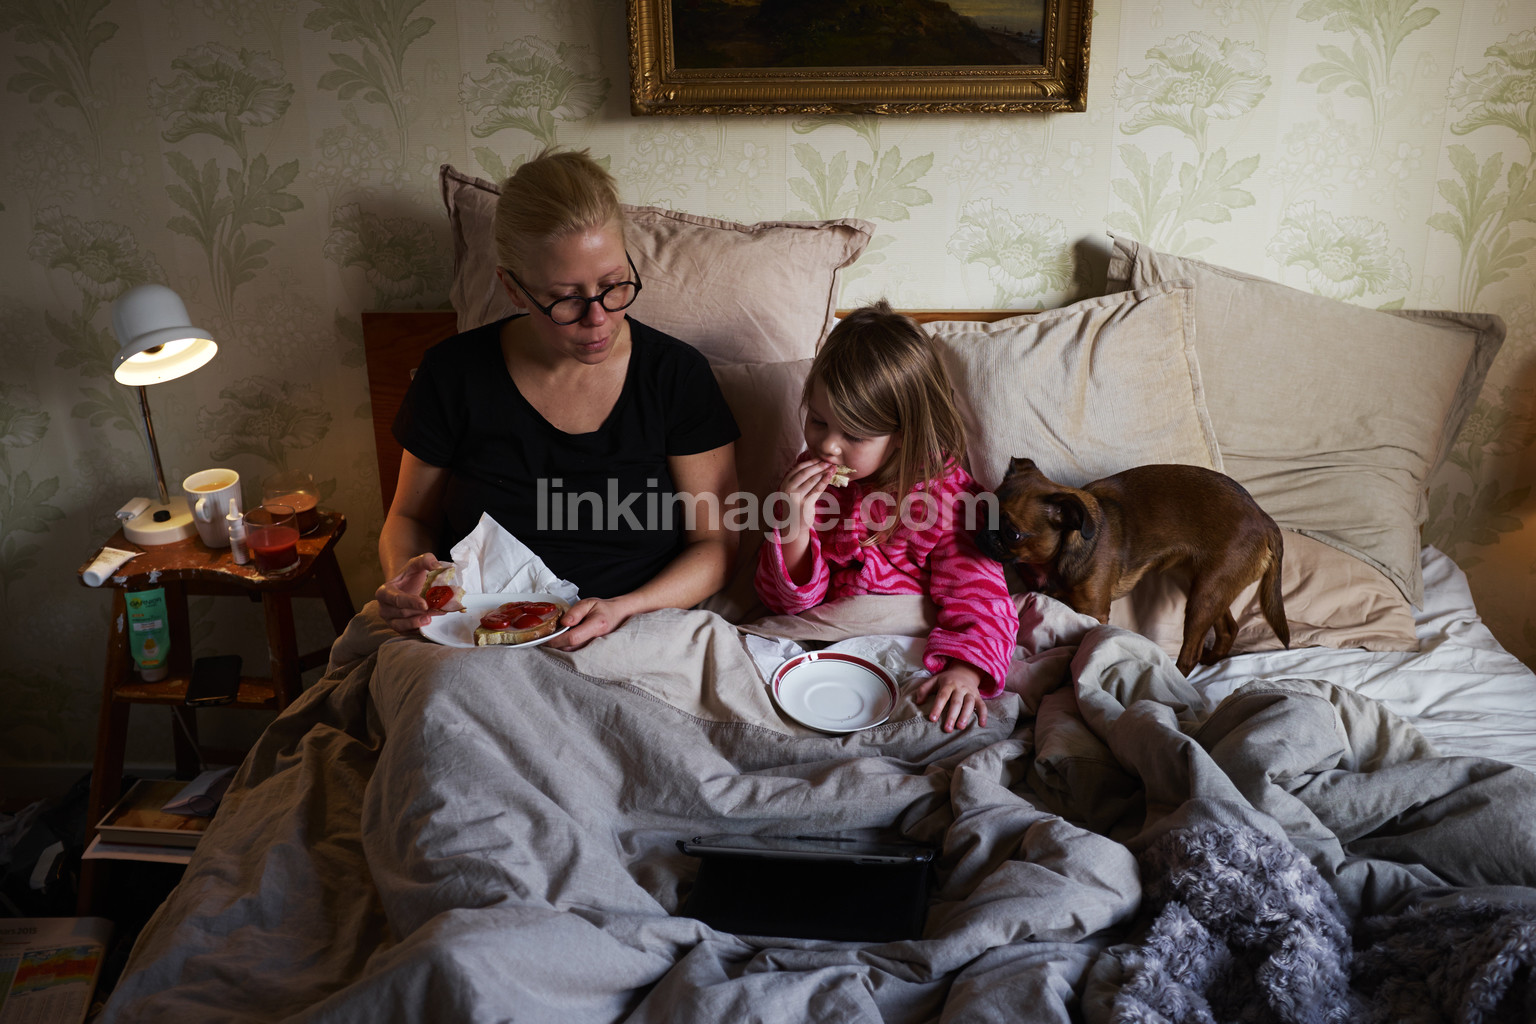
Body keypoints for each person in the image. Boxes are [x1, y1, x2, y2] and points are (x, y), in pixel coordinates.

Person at [376, 148, 741, 648]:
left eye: (613, 285)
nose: (598, 319)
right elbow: (410, 517)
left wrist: (623, 609)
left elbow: (716, 545)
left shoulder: (676, 376)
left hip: (635, 625)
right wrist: (409, 584)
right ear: (514, 289)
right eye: (566, 299)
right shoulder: (453, 373)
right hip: (477, 630)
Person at [754, 301, 1019, 731]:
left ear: (902, 434)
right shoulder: (806, 482)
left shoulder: (950, 500)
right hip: (829, 645)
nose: (828, 446)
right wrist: (794, 526)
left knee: (939, 721)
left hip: (907, 645)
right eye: (818, 421)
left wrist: (965, 672)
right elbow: (785, 605)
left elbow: (982, 599)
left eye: (854, 435)